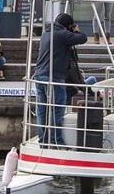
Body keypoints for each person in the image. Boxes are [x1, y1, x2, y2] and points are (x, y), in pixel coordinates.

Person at [34, 12, 89, 146]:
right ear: (68, 26)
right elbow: (83, 38)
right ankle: (55, 141)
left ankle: (43, 140)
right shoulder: (62, 34)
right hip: (54, 77)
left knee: (42, 111)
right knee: (56, 110)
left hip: (39, 75)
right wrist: (76, 31)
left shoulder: (47, 33)